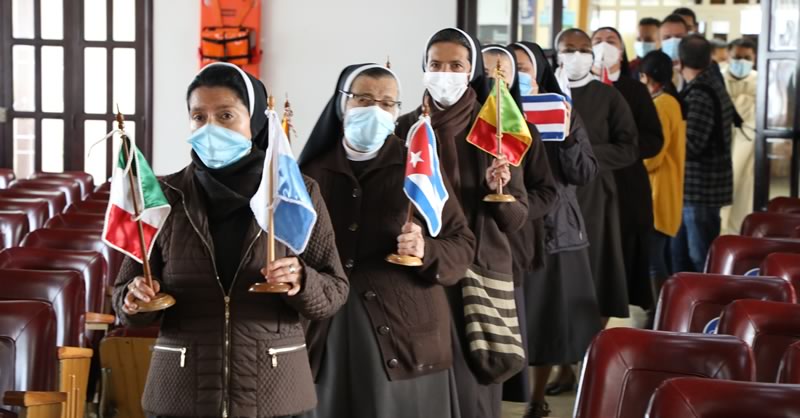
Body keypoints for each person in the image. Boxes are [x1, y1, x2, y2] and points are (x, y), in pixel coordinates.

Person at [113, 62, 349, 418]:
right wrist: (133, 298)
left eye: (225, 116)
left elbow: (334, 291)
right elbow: (123, 297)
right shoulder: (163, 195)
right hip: (180, 393)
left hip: (275, 392)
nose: (210, 128)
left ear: (253, 122)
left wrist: (302, 281)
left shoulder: (296, 192)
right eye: (198, 117)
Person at [297, 63, 476, 418]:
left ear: (397, 111)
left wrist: (428, 249)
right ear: (342, 104)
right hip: (327, 333)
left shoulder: (417, 166)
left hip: (408, 334)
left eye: (387, 103)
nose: (375, 111)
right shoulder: (309, 173)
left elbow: (462, 243)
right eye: (364, 99)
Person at [395, 27, 530, 418]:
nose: (444, 73)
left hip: (479, 272)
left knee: (474, 390)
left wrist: (497, 191)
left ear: (472, 71)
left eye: (456, 65)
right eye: (435, 64)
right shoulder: (406, 128)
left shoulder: (494, 128)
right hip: (422, 270)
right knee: (427, 383)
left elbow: (516, 218)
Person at [509, 40, 602, 418]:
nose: (517, 74)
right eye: (507, 65)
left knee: (546, 318)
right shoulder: (490, 113)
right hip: (507, 227)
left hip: (554, 228)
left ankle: (536, 397)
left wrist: (562, 136)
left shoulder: (561, 110)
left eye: (523, 66)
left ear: (539, 70)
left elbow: (584, 172)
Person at [549, 27, 638, 389]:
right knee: (557, 282)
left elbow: (629, 147)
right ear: (556, 53)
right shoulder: (546, 95)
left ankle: (589, 357)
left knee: (596, 276)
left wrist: (585, 153)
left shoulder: (608, 97)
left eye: (584, 49)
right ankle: (560, 359)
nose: (578, 55)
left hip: (597, 197)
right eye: (569, 49)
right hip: (554, 201)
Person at [481, 44, 558, 409]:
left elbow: (547, 191)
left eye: (501, 73)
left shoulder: (523, 130)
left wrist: (518, 207)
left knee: (501, 347)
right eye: (484, 73)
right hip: (464, 250)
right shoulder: (447, 129)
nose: (492, 81)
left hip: (511, 249)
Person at [592, 26, 664, 314]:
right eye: (597, 41)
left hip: (626, 186)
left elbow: (654, 139)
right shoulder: (571, 87)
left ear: (621, 53)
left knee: (620, 260)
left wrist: (618, 150)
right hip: (587, 186)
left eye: (611, 42)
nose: (603, 47)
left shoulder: (634, 90)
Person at [671, 35, 735, 273]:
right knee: (688, 256)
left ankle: (706, 306)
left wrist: (666, 137)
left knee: (700, 258)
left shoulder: (699, 93)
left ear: (679, 60)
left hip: (699, 190)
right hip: (704, 188)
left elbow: (692, 145)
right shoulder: (712, 85)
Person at [640, 50, 687, 305]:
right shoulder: (670, 102)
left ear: (645, 77)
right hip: (665, 191)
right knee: (658, 258)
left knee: (654, 262)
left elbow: (653, 155)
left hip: (657, 193)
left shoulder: (661, 105)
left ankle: (661, 312)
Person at [720, 38, 758, 235]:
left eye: (746, 58)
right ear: (728, 56)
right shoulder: (718, 78)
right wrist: (745, 103)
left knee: (744, 196)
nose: (741, 62)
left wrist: (739, 103)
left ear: (754, 58)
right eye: (736, 57)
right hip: (723, 146)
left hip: (749, 147)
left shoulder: (760, 80)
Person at [660, 14, 690, 89]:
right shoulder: (652, 66)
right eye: (667, 37)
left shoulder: (697, 65)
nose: (672, 41)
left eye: (678, 37)